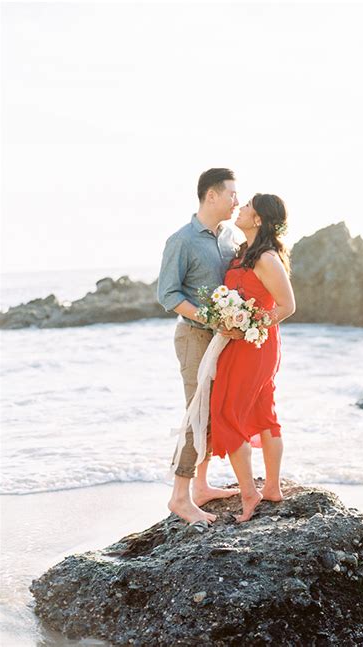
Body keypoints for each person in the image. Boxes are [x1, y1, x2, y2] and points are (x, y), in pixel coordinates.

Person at [157, 168, 243, 524]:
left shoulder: (230, 237)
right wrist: (210, 319)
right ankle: (179, 497)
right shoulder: (182, 240)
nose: (237, 202)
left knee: (212, 413)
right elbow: (167, 294)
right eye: (232, 195)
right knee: (196, 414)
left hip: (223, 341)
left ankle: (201, 487)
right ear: (211, 196)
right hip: (194, 337)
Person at [210, 193, 296, 522]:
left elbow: (287, 306)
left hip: (255, 344)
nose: (241, 209)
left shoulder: (266, 258)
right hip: (247, 342)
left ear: (258, 218)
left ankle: (251, 493)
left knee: (226, 412)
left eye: (247, 206)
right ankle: (271, 487)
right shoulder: (246, 252)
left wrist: (249, 324)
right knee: (262, 410)